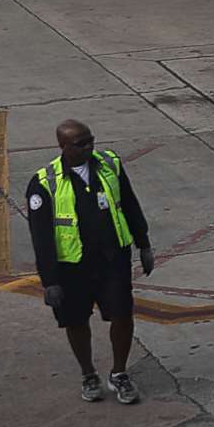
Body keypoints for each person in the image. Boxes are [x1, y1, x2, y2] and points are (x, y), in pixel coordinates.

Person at [24, 118, 153, 404]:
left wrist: (143, 244)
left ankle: (119, 373)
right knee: (76, 320)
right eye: (81, 144)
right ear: (63, 146)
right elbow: (41, 237)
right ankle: (88, 373)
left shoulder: (109, 164)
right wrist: (50, 282)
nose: (89, 147)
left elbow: (130, 205)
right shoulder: (45, 183)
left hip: (112, 259)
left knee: (122, 314)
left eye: (90, 140)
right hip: (72, 266)